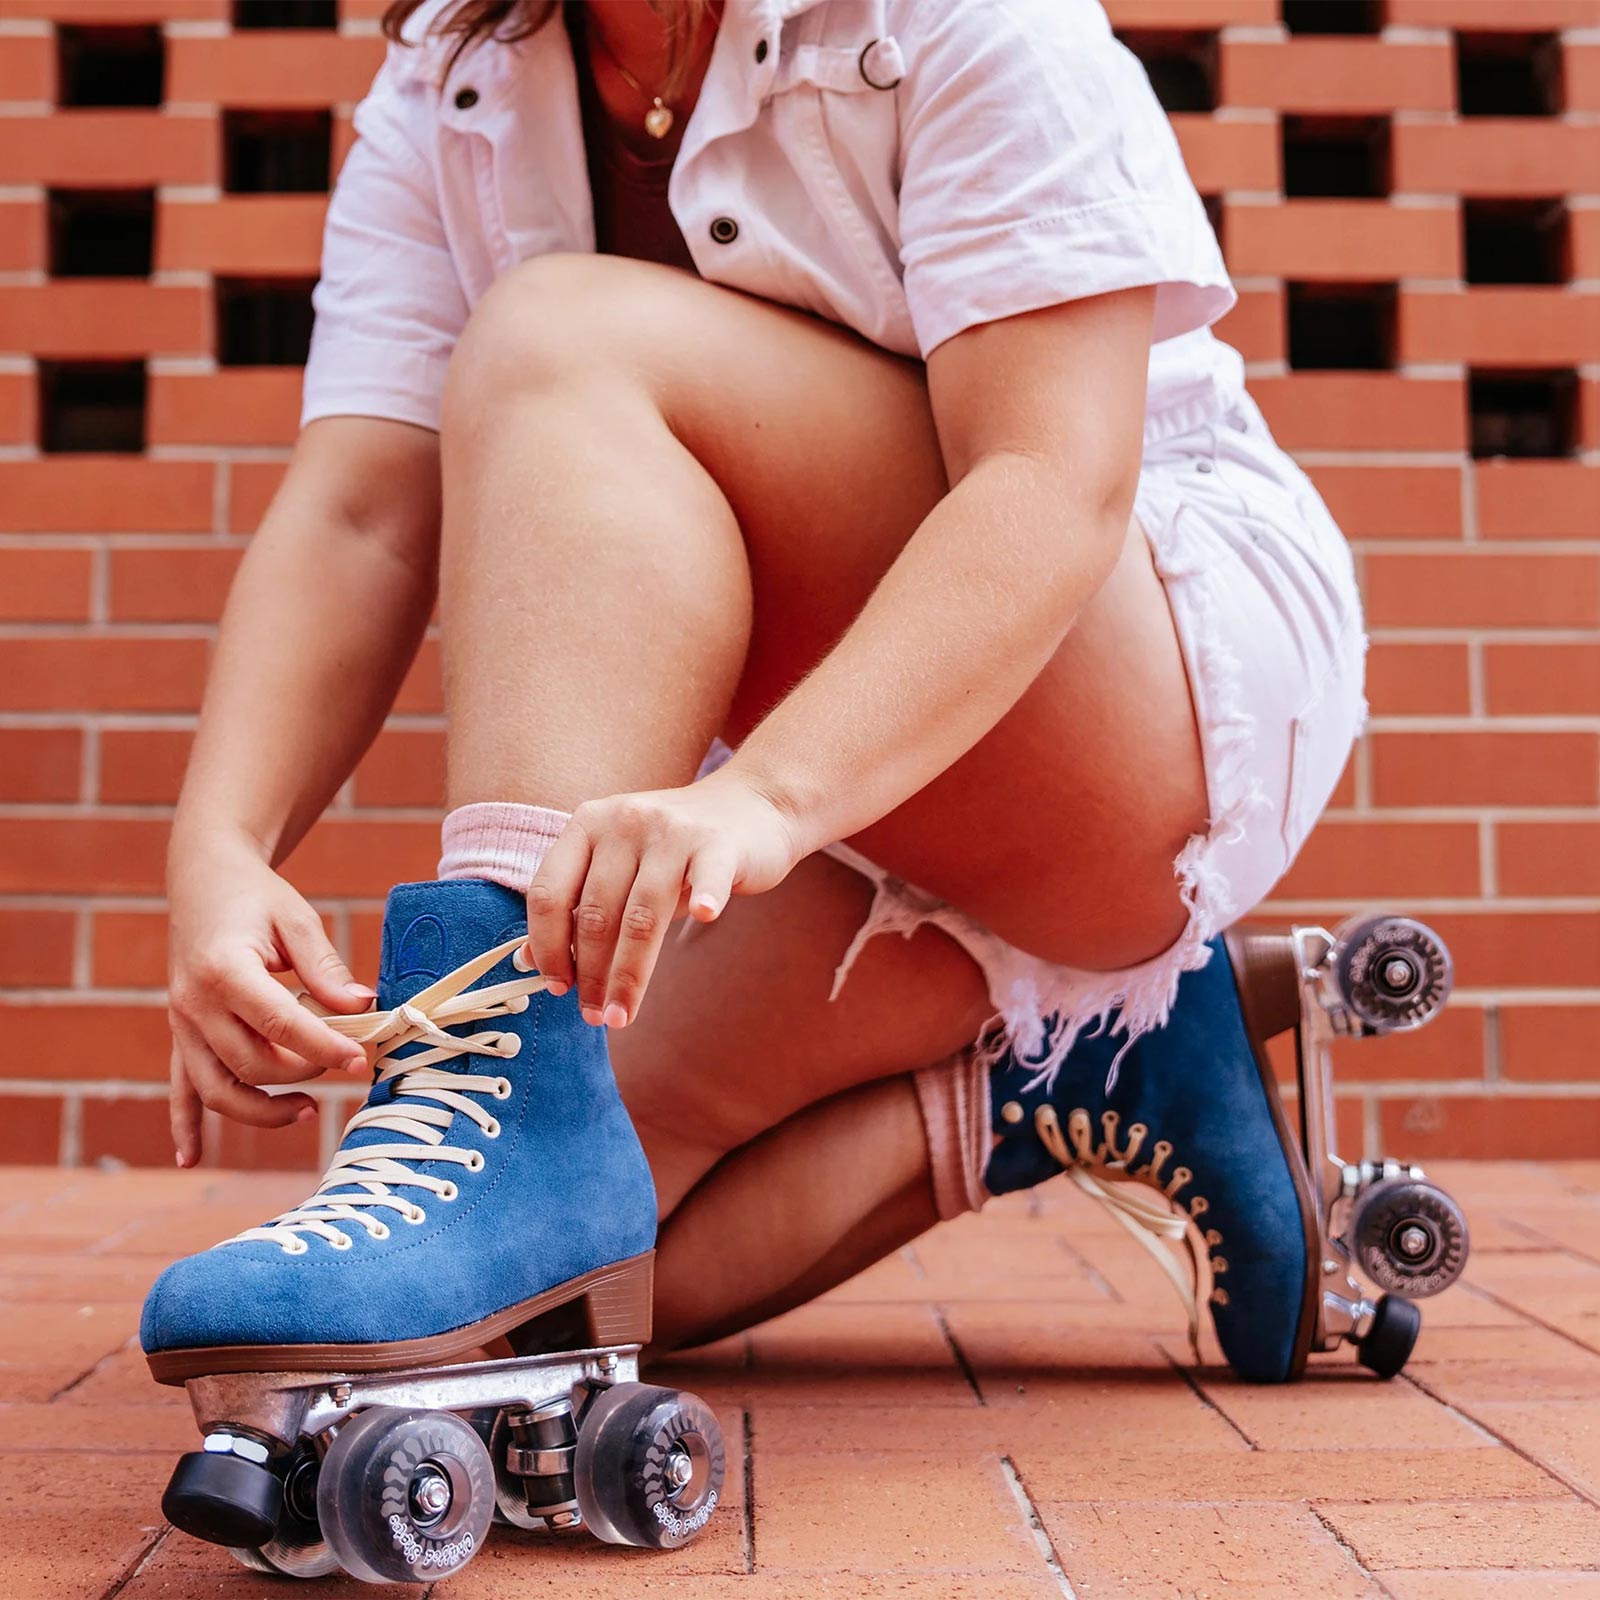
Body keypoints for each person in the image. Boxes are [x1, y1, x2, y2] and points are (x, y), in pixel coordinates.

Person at [145, 0, 1365, 1379]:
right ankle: (1069, 1069)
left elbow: (1050, 482)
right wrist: (221, 847)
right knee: (561, 1261)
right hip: (846, 781)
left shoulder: (963, 16)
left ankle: (516, 1069)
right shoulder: (450, 77)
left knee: (559, 332)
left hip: (1139, 688)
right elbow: (364, 508)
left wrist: (768, 798)